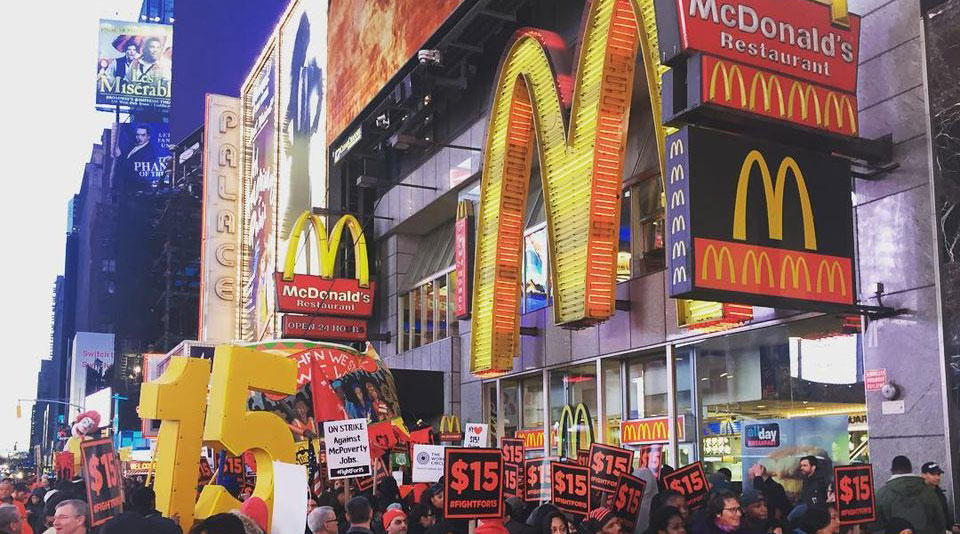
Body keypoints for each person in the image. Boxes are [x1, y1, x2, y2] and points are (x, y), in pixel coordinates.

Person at [874, 456, 945, 534]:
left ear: (892, 471)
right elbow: (940, 523)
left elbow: (875, 527)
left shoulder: (882, 494)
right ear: (911, 469)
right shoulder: (929, 491)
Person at [920, 462, 959, 533]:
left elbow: (944, 516)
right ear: (923, 475)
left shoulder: (939, 493)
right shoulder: (919, 495)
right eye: (933, 474)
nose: (937, 477)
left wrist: (952, 527)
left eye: (938, 474)